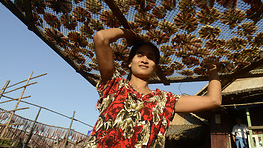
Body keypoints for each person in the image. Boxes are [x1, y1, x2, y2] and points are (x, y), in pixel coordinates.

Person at [84, 28, 222, 148]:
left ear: (155, 68)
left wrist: (213, 70)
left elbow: (213, 100)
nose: (144, 59)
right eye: (140, 55)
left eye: (150, 57)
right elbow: (100, 38)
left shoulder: (165, 100)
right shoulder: (114, 85)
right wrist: (128, 33)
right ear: (130, 63)